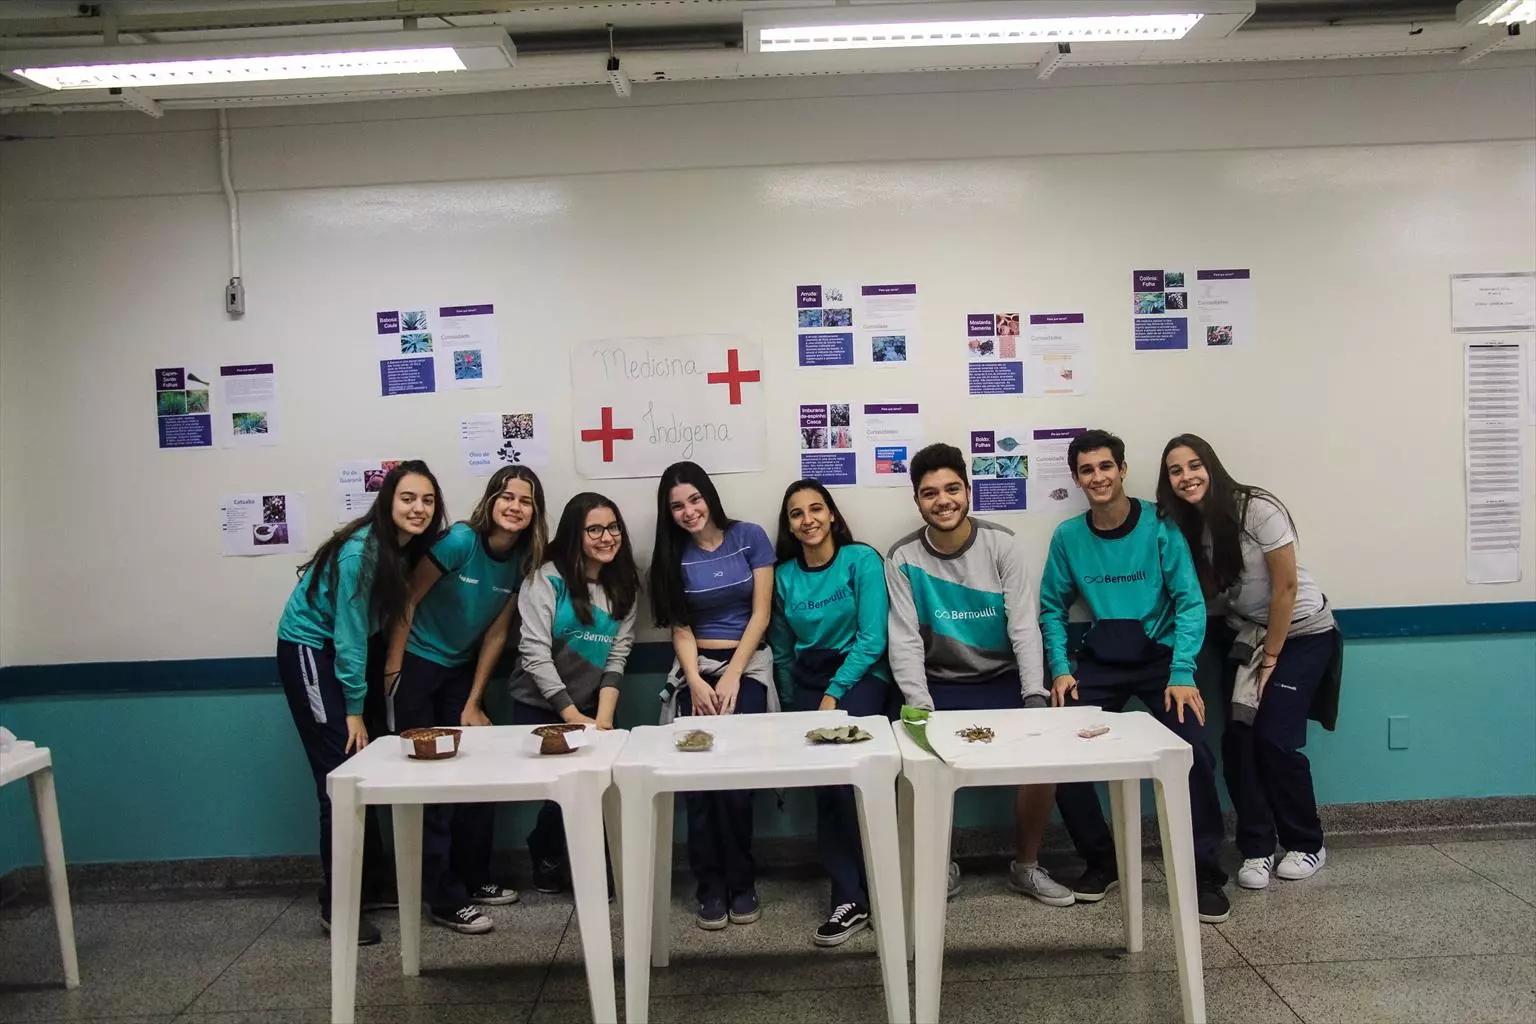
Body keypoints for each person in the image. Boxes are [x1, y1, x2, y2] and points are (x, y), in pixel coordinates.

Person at [1042, 429, 1231, 923]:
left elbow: (1190, 601)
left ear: (1122, 469)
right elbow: (1050, 608)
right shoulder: (1068, 537)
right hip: (1102, 660)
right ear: (1077, 479)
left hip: (1162, 663)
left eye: (1106, 466)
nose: (1098, 477)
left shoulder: (1160, 524)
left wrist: (1182, 672)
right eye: (1087, 470)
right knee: (1056, 752)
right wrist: (1060, 669)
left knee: (1193, 751)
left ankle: (1204, 874)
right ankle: (1102, 860)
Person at [886, 443, 1073, 908]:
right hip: (940, 683)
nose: (942, 500)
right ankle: (939, 863)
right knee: (919, 763)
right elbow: (905, 640)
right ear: (917, 500)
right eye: (930, 493)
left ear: (968, 491)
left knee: (1043, 755)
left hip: (1001, 678)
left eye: (952, 489)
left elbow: (1023, 624)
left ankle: (1026, 867)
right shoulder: (902, 557)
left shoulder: (1002, 543)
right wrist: (920, 707)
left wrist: (1033, 694)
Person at [1160, 434, 1341, 889]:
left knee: (1274, 739)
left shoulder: (1257, 508)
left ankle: (1306, 843)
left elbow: (1286, 588)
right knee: (1238, 742)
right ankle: (1257, 848)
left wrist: (1272, 657)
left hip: (1301, 634)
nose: (1186, 477)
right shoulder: (1188, 525)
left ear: (1212, 467)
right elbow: (1206, 590)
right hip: (1246, 635)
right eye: (1175, 471)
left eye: (1194, 465)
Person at [276, 459, 445, 945]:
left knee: (364, 770)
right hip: (312, 649)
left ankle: (367, 886)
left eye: (427, 500)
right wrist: (354, 710)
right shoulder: (361, 552)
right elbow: (348, 636)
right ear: (387, 502)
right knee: (340, 778)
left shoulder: (406, 549)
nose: (418, 508)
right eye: (408, 498)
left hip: (350, 651)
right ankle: (339, 907)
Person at [382, 465, 548, 934]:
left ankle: (474, 877)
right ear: (490, 500)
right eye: (507, 496)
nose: (515, 507)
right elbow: (408, 599)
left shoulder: (523, 560)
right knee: (431, 780)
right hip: (417, 664)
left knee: (477, 772)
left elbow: (496, 633)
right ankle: (443, 897)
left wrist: (474, 701)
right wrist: (393, 672)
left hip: (460, 669)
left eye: (526, 500)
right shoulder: (460, 541)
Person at [648, 461, 779, 930]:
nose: (689, 511)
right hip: (696, 669)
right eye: (677, 506)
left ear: (709, 496)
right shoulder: (671, 556)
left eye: (695, 499)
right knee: (699, 783)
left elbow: (761, 613)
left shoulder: (749, 537)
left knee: (737, 782)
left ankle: (742, 882)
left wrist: (734, 675)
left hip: (747, 665)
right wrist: (696, 680)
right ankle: (710, 885)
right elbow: (680, 628)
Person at [768, 479, 892, 946]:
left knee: (851, 775)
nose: (808, 520)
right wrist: (790, 706)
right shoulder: (783, 577)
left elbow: (873, 638)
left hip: (860, 677)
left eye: (816, 509)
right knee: (826, 787)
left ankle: (876, 887)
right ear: (789, 526)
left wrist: (835, 694)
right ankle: (850, 896)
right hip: (809, 683)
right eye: (796, 513)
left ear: (833, 514)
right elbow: (783, 651)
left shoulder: (861, 560)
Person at [508, 492, 639, 893]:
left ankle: (597, 868)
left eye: (613, 527)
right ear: (574, 535)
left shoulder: (624, 586)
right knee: (560, 792)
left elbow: (617, 654)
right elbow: (534, 653)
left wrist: (603, 719)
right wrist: (570, 715)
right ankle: (547, 850)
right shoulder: (545, 580)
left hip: (593, 702)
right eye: (594, 529)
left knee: (601, 787)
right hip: (540, 703)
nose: (606, 537)